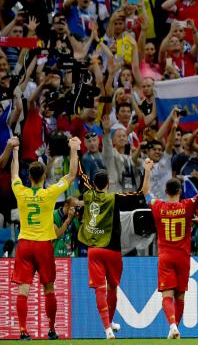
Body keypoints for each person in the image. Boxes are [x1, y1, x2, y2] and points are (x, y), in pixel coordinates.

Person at [11, 136, 80, 341]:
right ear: (43, 177)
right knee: (49, 288)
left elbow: (14, 172)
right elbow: (72, 174)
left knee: (23, 291)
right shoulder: (49, 193)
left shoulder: (21, 191)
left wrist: (15, 151)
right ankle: (51, 330)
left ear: (29, 177)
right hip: (43, 245)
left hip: (24, 245)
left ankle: (23, 331)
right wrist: (74, 149)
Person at [80, 160, 155, 339]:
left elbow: (81, 174)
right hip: (113, 250)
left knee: (100, 288)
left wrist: (75, 150)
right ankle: (109, 325)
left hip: (94, 250)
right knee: (112, 288)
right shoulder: (115, 198)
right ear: (109, 184)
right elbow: (142, 193)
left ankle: (108, 327)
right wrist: (147, 170)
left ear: (93, 183)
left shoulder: (88, 196)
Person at [150, 168, 198, 339]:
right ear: (180, 191)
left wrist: (147, 171)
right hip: (183, 257)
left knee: (167, 295)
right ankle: (175, 329)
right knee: (180, 295)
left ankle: (173, 325)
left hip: (165, 256)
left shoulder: (158, 206)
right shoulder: (187, 205)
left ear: (166, 192)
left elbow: (145, 193)